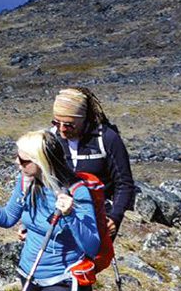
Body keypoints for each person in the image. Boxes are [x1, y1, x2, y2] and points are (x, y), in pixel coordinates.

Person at [0, 130, 105, 291]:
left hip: (64, 281)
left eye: (23, 160)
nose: (17, 162)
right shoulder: (26, 181)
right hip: (29, 276)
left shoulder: (77, 191)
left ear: (42, 162)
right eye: (17, 157)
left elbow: (92, 247)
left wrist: (70, 214)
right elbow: (7, 218)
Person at [49, 87, 136, 237]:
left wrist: (115, 217)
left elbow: (124, 183)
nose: (62, 130)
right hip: (60, 217)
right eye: (57, 123)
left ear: (84, 118)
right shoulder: (51, 139)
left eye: (69, 124)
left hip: (99, 220)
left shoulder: (107, 139)